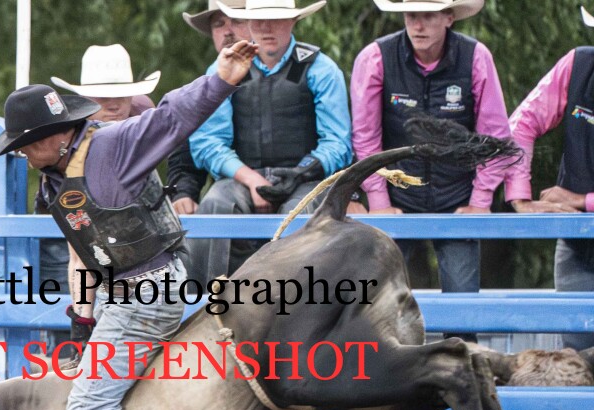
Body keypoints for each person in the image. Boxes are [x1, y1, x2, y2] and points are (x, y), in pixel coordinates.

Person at [0, 39, 258, 410]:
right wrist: (83, 321)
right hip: (121, 290)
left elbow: (175, 114)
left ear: (53, 137)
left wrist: (222, 77)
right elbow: (83, 251)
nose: (21, 154)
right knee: (89, 392)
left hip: (147, 291)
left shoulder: (113, 146)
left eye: (24, 144)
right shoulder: (57, 175)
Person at [350, 0, 511, 323]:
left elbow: (494, 136)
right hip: (396, 196)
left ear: (449, 18)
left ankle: (462, 351)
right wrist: (379, 200)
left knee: (463, 309)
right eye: (412, 15)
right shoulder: (376, 58)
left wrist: (480, 201)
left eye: (428, 16)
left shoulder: (475, 57)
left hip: (457, 198)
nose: (418, 25)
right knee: (378, 307)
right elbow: (365, 136)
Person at [187, 0, 352, 284]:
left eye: (276, 19)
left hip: (305, 180)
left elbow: (337, 143)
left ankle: (296, 303)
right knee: (215, 205)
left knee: (298, 215)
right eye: (258, 20)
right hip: (241, 179)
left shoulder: (320, 68)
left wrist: (300, 172)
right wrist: (251, 179)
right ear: (249, 23)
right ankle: (205, 298)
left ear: (293, 21)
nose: (266, 27)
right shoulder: (225, 68)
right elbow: (208, 142)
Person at [504, 6, 594, 351]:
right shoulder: (578, 65)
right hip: (577, 243)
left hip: (577, 224)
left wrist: (580, 201)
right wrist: (520, 197)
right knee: (576, 357)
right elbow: (521, 124)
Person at [39, 45, 158, 301]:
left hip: (133, 250)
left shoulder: (144, 118)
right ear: (85, 100)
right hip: (69, 231)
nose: (114, 105)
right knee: (62, 280)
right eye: (103, 97)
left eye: (122, 96)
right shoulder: (63, 140)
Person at [168, 0, 249, 216]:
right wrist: (183, 192)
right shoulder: (203, 86)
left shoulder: (304, 72)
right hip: (231, 195)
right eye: (219, 24)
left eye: (237, 20)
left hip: (294, 185)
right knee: (215, 205)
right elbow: (187, 148)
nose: (228, 31)